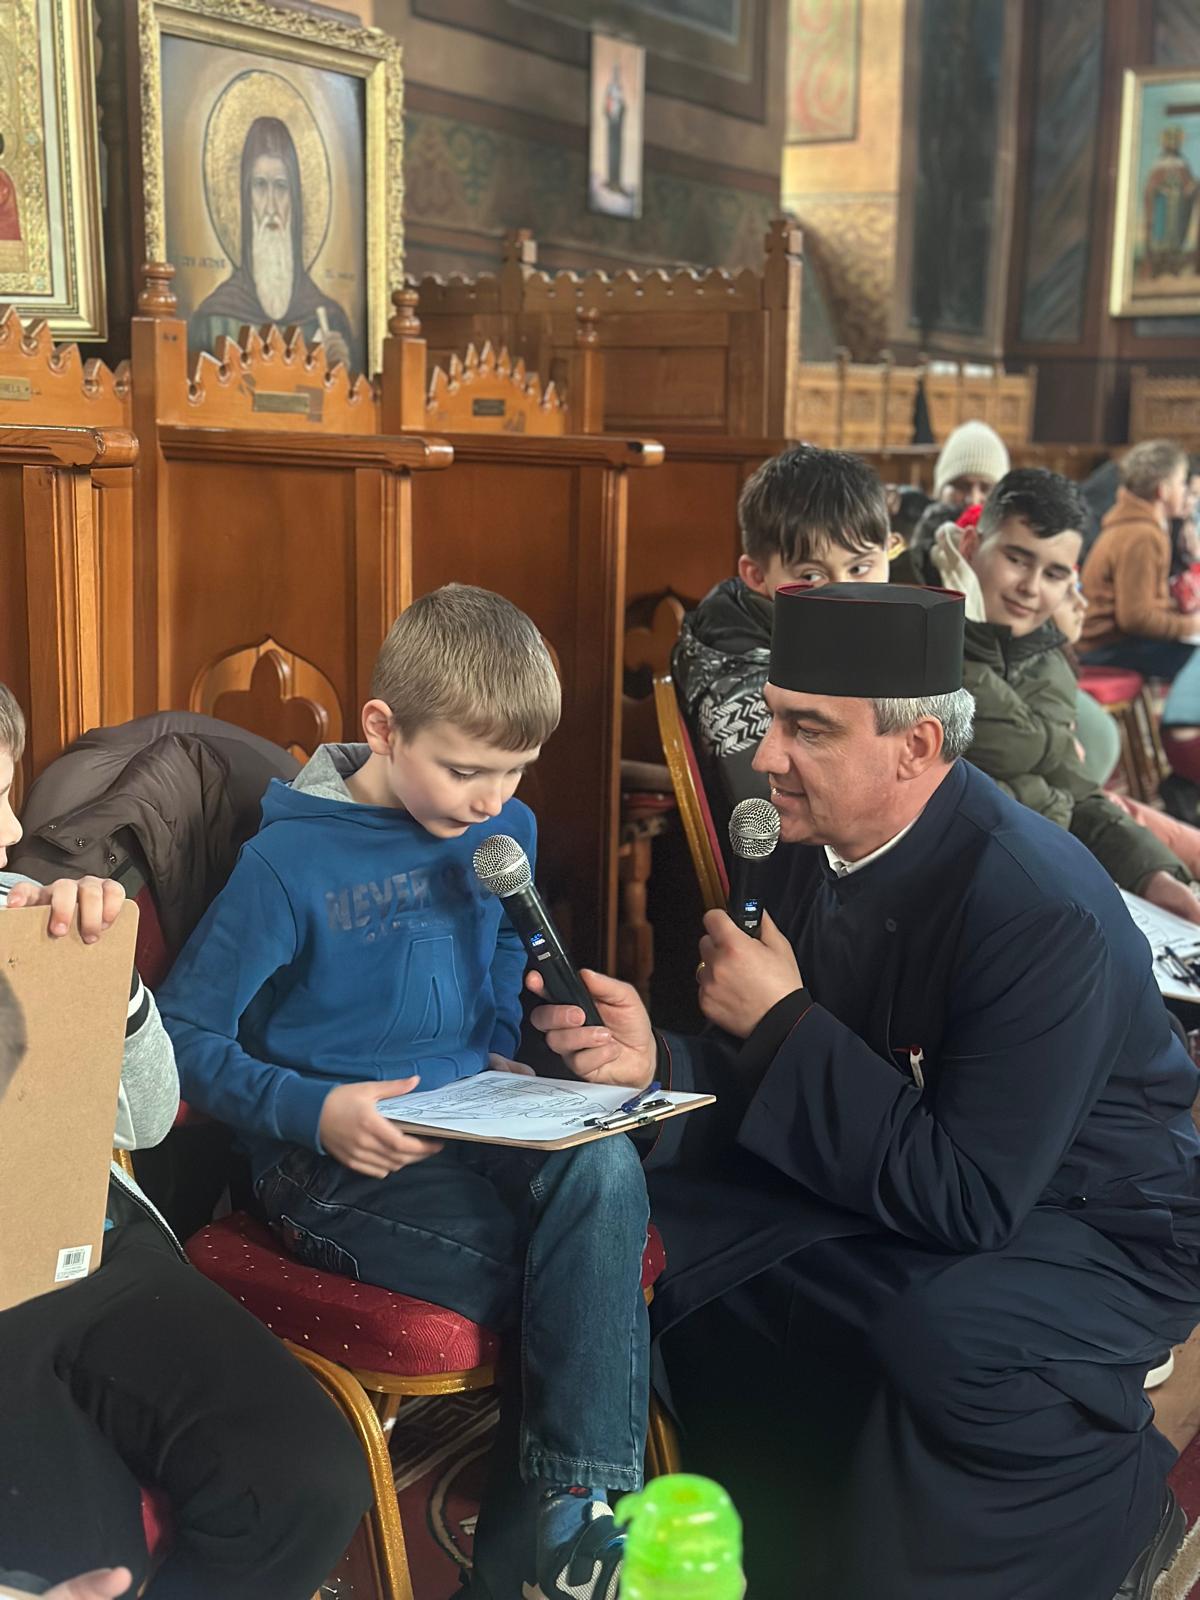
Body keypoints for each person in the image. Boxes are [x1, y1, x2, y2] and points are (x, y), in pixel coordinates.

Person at [531, 584, 1200, 1600]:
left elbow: (972, 1196)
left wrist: (782, 1020)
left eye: (808, 729)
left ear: (915, 747)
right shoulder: (806, 846)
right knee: (683, 1239)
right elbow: (767, 1086)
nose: (766, 755)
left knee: (937, 1338)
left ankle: (1118, 1521)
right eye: (773, 717)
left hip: (1098, 1219)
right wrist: (655, 1066)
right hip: (920, 1172)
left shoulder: (1036, 906)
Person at [158, 585, 651, 1600]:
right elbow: (179, 1040)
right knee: (582, 1285)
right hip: (332, 1161)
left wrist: (508, 1050)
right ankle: (548, 1550)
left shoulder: (502, 831)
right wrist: (315, 1112)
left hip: (474, 1124)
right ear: (382, 728)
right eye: (466, 769)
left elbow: (503, 950)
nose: (492, 798)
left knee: (607, 1165)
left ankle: (564, 1520)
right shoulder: (288, 864)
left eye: (515, 769)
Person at [0, 683, 370, 1598]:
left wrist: (112, 993)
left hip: (84, 1241)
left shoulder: (20, 910)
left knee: (308, 1479)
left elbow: (147, 1118)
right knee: (83, 1560)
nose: (11, 832)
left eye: (5, 794)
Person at [921, 467, 1200, 919]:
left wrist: (1151, 875)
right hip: (957, 891)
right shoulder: (922, 631)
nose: (1031, 588)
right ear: (971, 546)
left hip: (1036, 874)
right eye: (1017, 559)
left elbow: (1075, 790)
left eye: (1053, 574)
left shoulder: (1047, 656)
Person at [672, 444, 892, 848]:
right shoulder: (738, 676)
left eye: (860, 568)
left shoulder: (829, 642)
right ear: (756, 575)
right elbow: (779, 824)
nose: (844, 594)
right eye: (811, 576)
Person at [189, 116, 354, 370]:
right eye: (259, 186)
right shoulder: (212, 319)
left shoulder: (330, 319)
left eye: (281, 187)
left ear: (295, 200)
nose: (271, 207)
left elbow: (351, 390)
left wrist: (338, 370)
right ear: (245, 198)